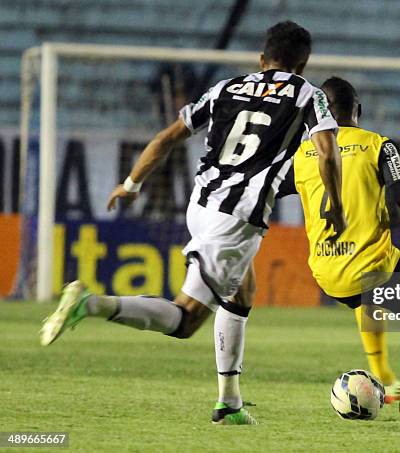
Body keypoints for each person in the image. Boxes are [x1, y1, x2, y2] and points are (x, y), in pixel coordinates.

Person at [39, 21, 346, 426]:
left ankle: (230, 403)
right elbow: (327, 153)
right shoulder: (308, 94)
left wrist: (131, 183)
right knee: (185, 320)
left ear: (261, 59)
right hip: (236, 218)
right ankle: (91, 303)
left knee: (241, 293)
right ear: (303, 66)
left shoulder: (225, 88)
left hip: (201, 204)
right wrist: (336, 209)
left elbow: (167, 138)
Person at [274, 76, 400, 422]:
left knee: (366, 294)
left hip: (326, 275)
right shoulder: (378, 145)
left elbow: (267, 190)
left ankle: (385, 377)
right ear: (358, 110)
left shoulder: (302, 154)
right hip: (372, 269)